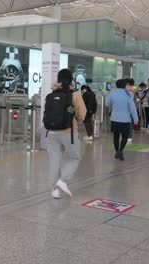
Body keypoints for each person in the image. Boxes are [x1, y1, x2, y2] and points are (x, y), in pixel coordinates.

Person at [47, 69, 86, 199]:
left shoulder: (52, 93)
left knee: (54, 161)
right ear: (71, 80)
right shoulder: (75, 95)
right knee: (75, 157)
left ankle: (55, 191)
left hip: (51, 132)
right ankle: (62, 182)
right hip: (69, 132)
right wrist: (76, 121)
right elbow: (82, 114)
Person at [106, 79, 138, 161]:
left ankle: (117, 151)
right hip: (125, 119)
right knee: (125, 136)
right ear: (124, 85)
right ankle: (120, 151)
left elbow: (106, 104)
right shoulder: (128, 95)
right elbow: (132, 108)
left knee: (116, 136)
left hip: (115, 118)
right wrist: (136, 119)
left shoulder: (112, 94)